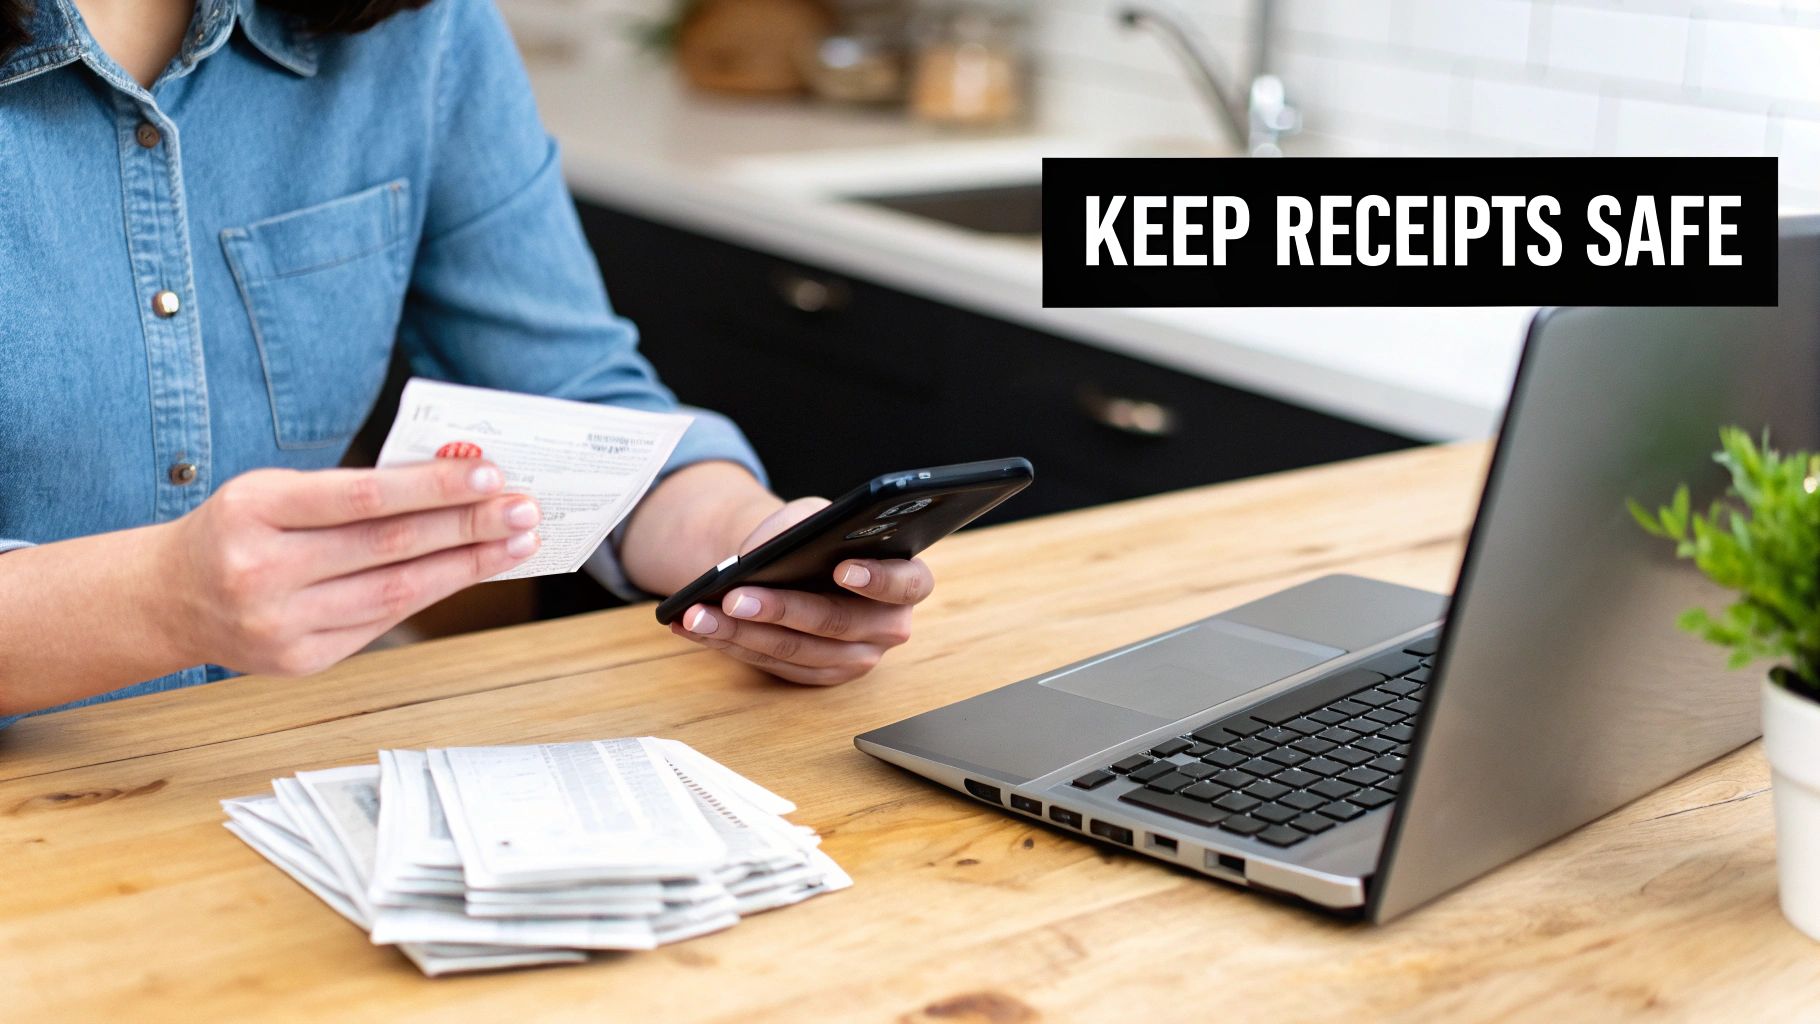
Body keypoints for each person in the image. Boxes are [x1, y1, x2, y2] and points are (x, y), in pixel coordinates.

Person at [0, 0, 935, 726]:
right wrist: (161, 601)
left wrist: (751, 546)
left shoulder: (420, 30)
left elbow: (570, 390)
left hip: (274, 761)